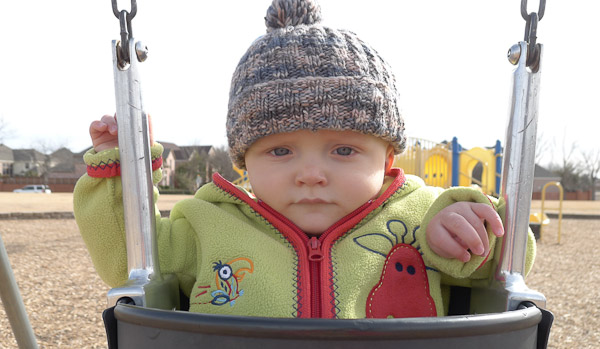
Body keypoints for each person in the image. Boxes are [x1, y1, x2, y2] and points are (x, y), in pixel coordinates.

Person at [74, 0, 534, 319]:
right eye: (280, 151)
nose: (311, 174)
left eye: (344, 150)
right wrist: (120, 169)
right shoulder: (205, 224)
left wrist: (467, 230)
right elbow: (128, 261)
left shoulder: (422, 218)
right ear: (244, 161)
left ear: (388, 157)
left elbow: (511, 263)